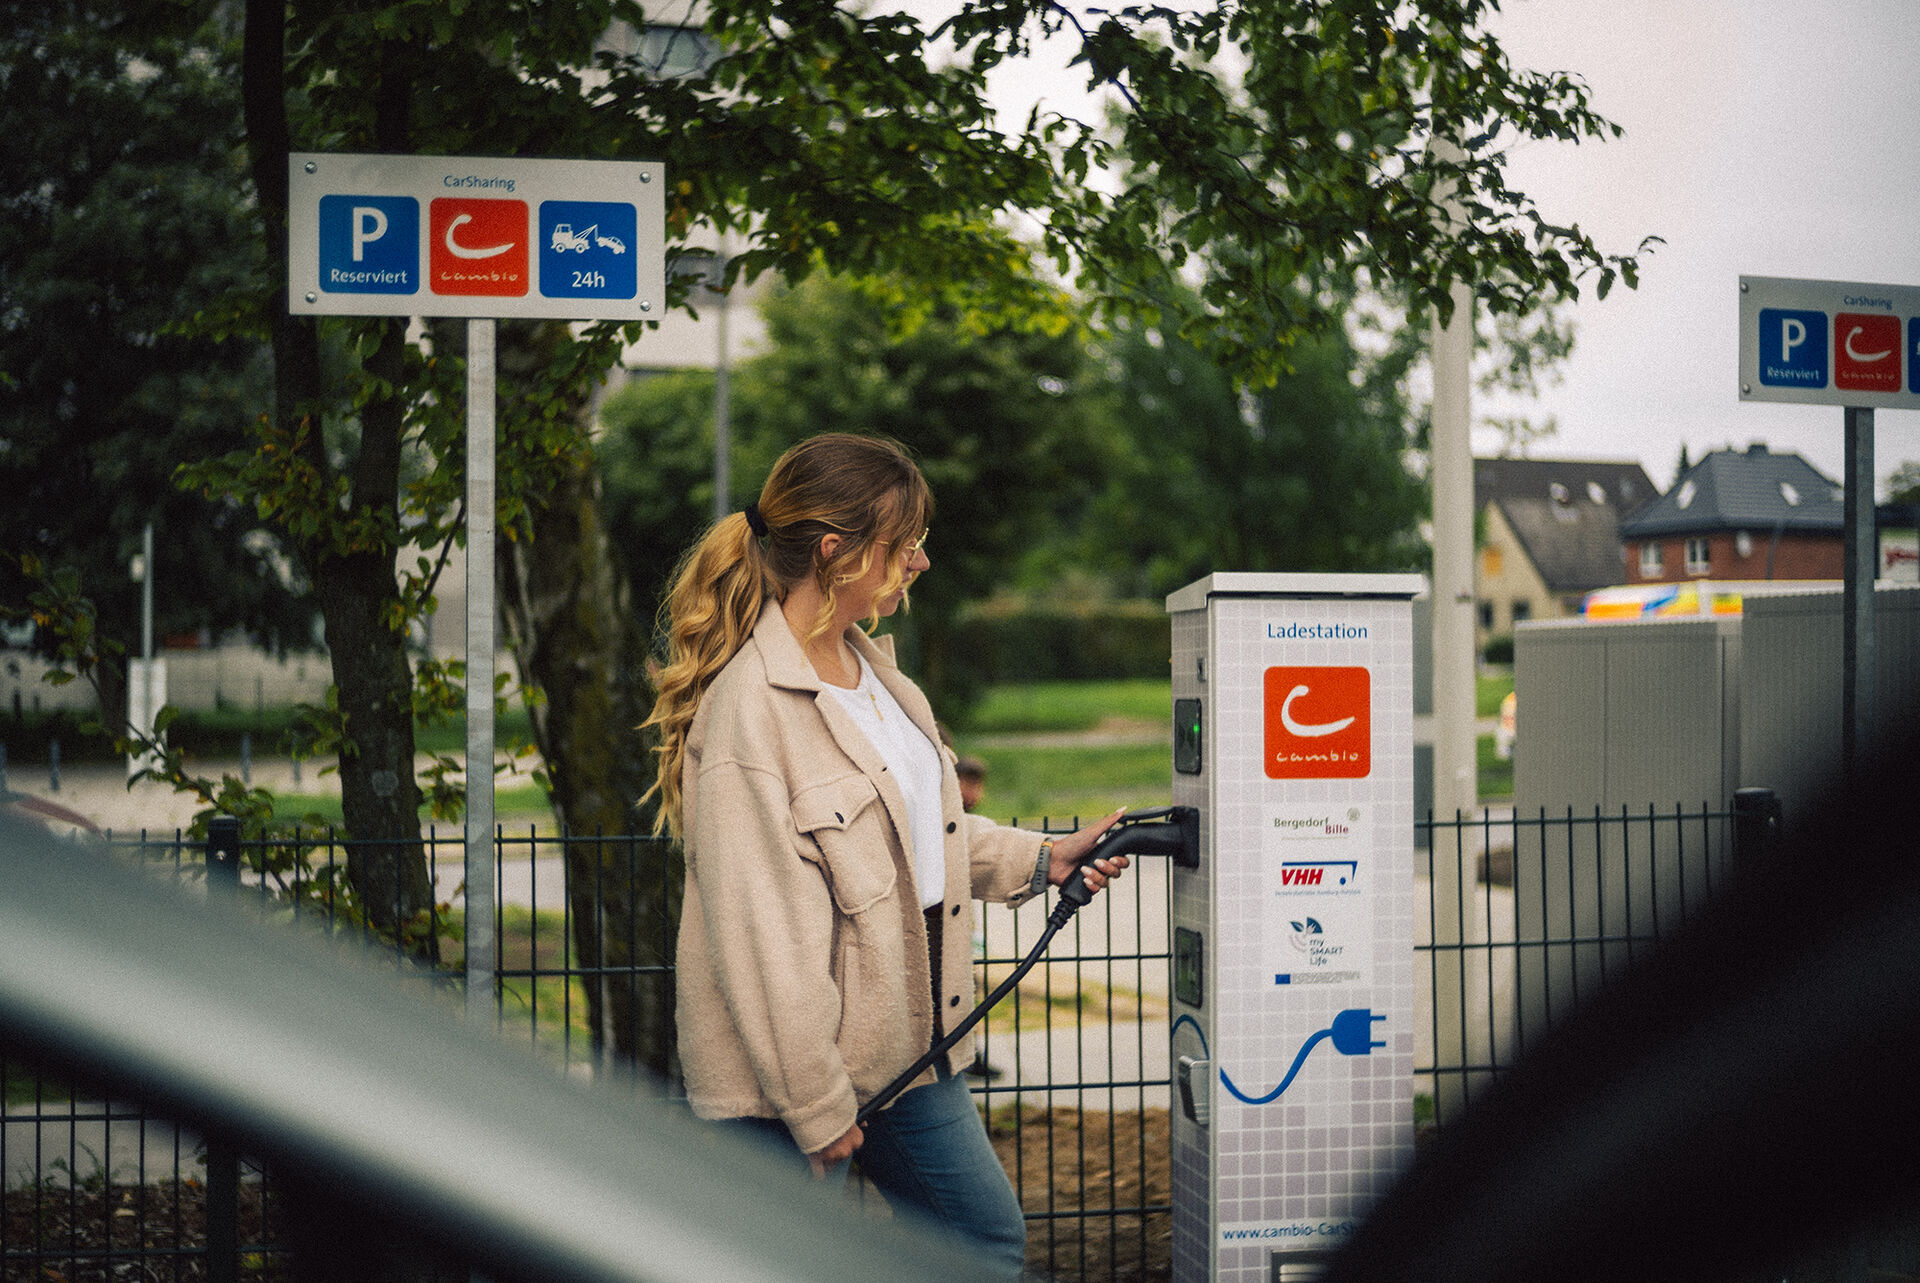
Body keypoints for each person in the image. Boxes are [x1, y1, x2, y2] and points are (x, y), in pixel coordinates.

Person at [641, 433, 1128, 1276]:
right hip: (787, 1083)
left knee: (984, 1239)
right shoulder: (748, 716)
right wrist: (816, 1104)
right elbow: (764, 940)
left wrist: (1044, 856)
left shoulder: (876, 675)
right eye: (904, 545)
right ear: (835, 552)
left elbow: (912, 838)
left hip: (908, 1053)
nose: (922, 562)